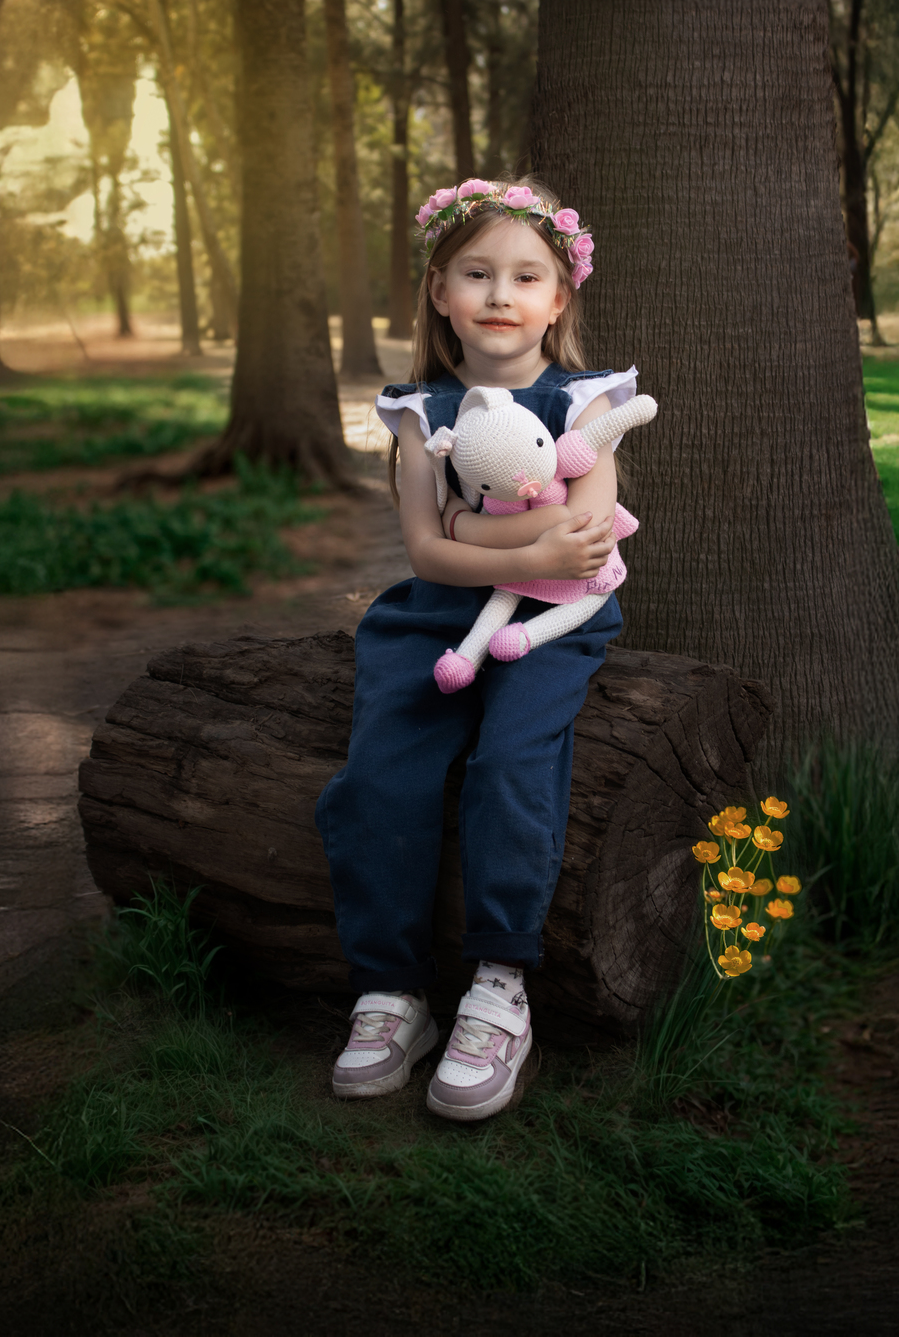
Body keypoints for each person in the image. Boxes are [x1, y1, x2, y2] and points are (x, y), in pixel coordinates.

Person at [314, 177, 641, 1122]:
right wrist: (513, 543)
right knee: (381, 772)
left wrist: (476, 526)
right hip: (435, 615)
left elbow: (583, 540)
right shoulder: (423, 411)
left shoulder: (584, 402)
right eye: (476, 273)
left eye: (527, 276)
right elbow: (426, 553)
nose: (501, 294)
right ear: (439, 291)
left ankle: (500, 987)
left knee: (508, 762)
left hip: (551, 619)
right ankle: (391, 991)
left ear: (559, 298)